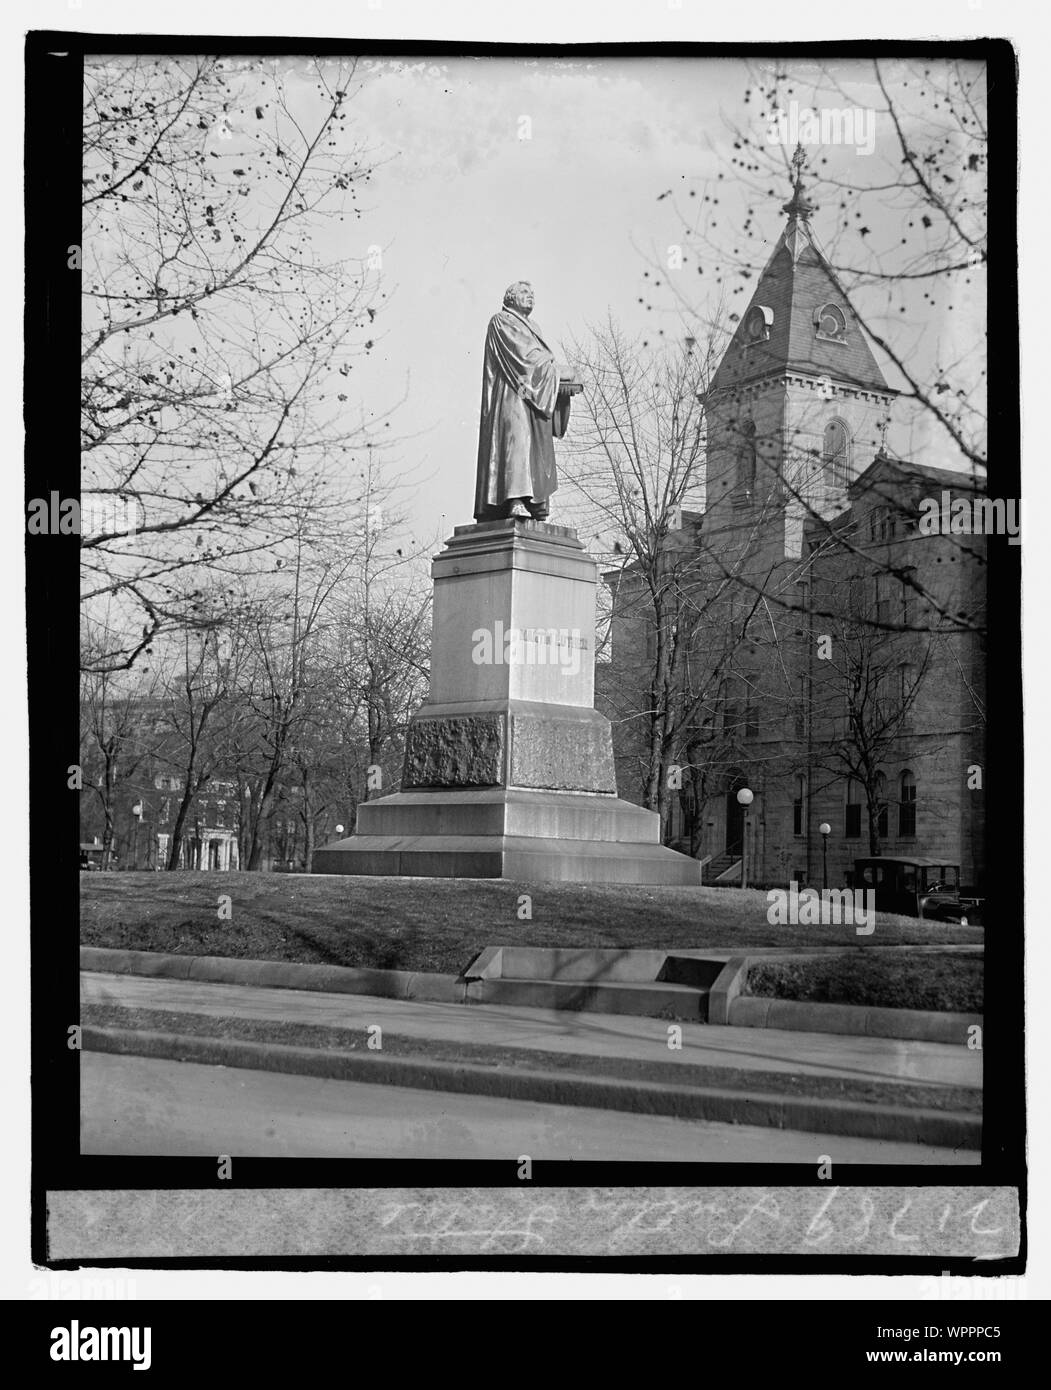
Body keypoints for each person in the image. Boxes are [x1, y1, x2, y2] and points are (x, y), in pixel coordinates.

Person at [474, 280, 575, 521]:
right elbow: (525, 358)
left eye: (532, 293)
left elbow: (538, 361)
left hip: (532, 395)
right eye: (524, 292)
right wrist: (557, 372)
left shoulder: (533, 326)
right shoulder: (502, 321)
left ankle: (532, 502)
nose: (531, 296)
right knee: (516, 443)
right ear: (510, 298)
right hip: (513, 394)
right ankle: (514, 499)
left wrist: (555, 377)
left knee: (533, 446)